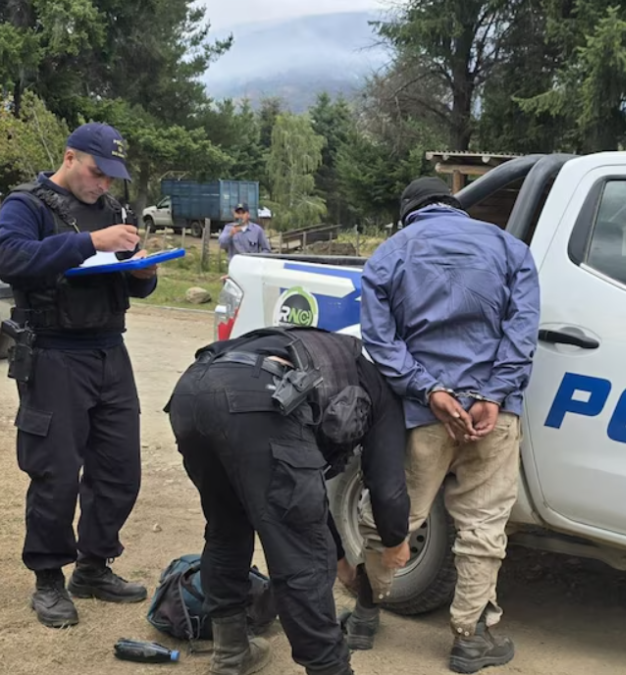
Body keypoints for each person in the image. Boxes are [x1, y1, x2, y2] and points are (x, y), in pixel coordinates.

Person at [349, 176, 540, 673]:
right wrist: (494, 395)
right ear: (455, 207)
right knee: (483, 525)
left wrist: (429, 390)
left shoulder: (390, 254)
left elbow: (380, 340)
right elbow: (522, 333)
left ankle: (366, 614)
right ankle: (469, 639)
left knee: (391, 518)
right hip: (492, 418)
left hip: (421, 416)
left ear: (409, 213)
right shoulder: (510, 248)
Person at [166, 324, 412, 675]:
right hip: (259, 398)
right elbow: (387, 485)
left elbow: (304, 493)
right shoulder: (380, 386)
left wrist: (341, 558)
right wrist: (395, 539)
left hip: (192, 392)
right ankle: (330, 670)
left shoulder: (327, 350)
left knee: (226, 526)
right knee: (302, 555)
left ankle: (231, 654)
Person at [0, 122, 159, 629]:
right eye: (97, 174)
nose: (104, 186)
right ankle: (48, 578)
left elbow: (131, 285)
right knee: (55, 474)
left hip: (110, 351)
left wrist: (143, 273)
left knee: (119, 470)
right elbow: (11, 258)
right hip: (53, 353)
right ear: (70, 158)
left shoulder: (113, 211)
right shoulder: (26, 205)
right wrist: (90, 241)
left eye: (112, 178)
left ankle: (93, 566)